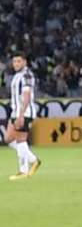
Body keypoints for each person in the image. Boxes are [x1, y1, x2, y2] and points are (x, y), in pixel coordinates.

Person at [6, 52, 40, 181]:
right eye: (14, 61)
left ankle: (23, 171)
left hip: (24, 113)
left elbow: (26, 96)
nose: (16, 64)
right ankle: (34, 160)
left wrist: (21, 115)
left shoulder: (27, 75)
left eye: (19, 61)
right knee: (9, 138)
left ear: (25, 62)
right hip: (15, 112)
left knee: (21, 140)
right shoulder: (17, 76)